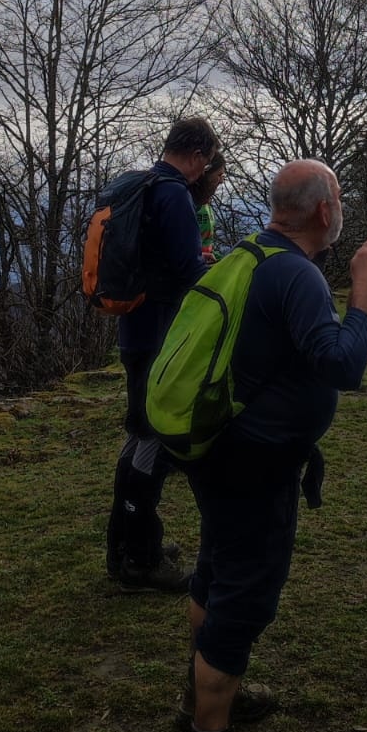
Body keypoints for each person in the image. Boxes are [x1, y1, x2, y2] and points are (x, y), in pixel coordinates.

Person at [174, 159, 367, 732]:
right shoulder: (296, 273)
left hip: (219, 450)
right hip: (256, 464)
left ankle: (200, 694)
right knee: (243, 601)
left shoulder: (251, 254)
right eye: (339, 198)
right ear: (324, 211)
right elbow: (340, 364)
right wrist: (364, 292)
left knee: (216, 569)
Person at [105, 115, 219, 592]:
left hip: (135, 331)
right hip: (160, 337)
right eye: (205, 163)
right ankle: (142, 560)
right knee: (153, 440)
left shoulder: (142, 185)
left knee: (138, 436)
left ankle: (125, 546)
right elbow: (189, 271)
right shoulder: (172, 194)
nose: (203, 172)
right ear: (195, 155)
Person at [189, 151, 227, 264]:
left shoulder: (205, 204)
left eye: (223, 176)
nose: (222, 181)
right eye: (219, 175)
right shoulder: (187, 202)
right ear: (204, 174)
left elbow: (206, 244)